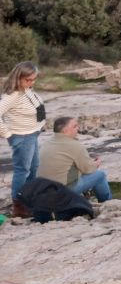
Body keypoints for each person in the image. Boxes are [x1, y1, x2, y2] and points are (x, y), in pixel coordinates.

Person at [1, 61, 46, 214]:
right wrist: (8, 134)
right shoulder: (12, 96)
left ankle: (30, 197)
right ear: (18, 77)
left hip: (32, 134)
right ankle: (19, 204)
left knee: (33, 168)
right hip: (21, 137)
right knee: (23, 170)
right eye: (28, 80)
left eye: (34, 79)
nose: (32, 82)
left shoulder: (26, 90)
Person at [37, 116, 111, 202]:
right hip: (61, 192)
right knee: (100, 175)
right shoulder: (75, 145)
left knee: (74, 171)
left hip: (43, 191)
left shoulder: (47, 143)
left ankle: (83, 198)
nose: (78, 128)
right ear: (65, 130)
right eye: (75, 126)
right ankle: (106, 202)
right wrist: (96, 163)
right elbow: (88, 169)